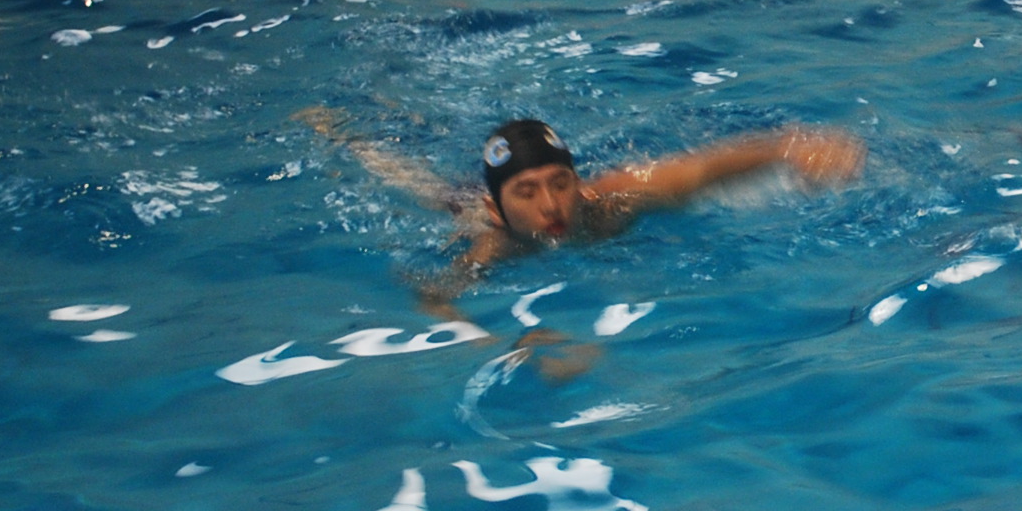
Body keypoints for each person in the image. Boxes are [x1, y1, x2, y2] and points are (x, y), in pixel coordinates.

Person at [297, 109, 866, 313]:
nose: (551, 205)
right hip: (462, 203)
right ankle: (338, 131)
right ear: (500, 208)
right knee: (416, 182)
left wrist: (790, 148)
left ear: (579, 181)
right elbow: (434, 299)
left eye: (560, 183)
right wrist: (514, 348)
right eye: (526, 193)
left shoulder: (611, 201)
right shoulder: (497, 244)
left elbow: (702, 169)